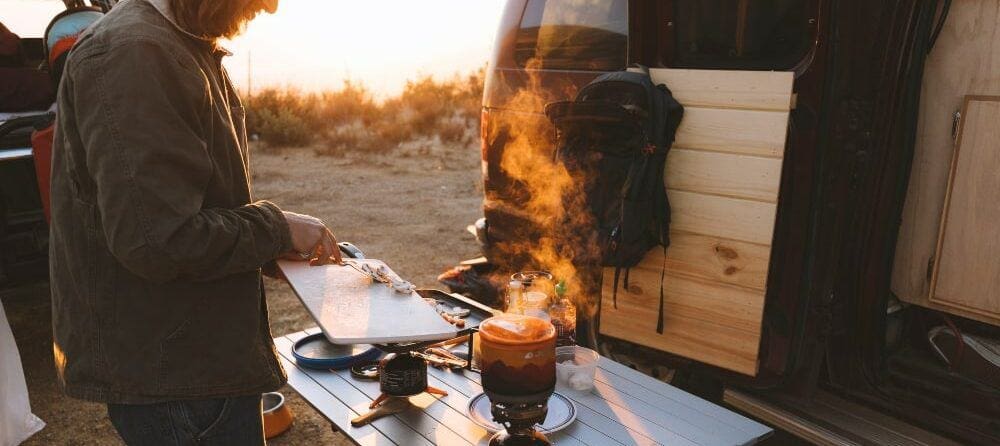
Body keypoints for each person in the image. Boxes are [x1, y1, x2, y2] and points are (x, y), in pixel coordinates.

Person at [48, 0, 339, 444]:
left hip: (192, 361)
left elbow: (184, 204)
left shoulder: (172, 43)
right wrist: (274, 228)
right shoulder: (135, 54)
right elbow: (159, 240)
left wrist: (265, 246)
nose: (271, 8)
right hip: (178, 378)